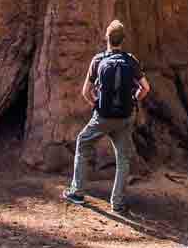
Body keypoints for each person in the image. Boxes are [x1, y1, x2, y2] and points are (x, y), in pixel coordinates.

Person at [62, 19, 150, 214]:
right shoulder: (131, 60)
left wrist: (97, 104)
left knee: (83, 143)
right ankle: (117, 203)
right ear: (123, 40)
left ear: (106, 38)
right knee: (123, 158)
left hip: (102, 117)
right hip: (125, 118)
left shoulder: (98, 60)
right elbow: (146, 88)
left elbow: (86, 91)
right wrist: (134, 100)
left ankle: (77, 192)